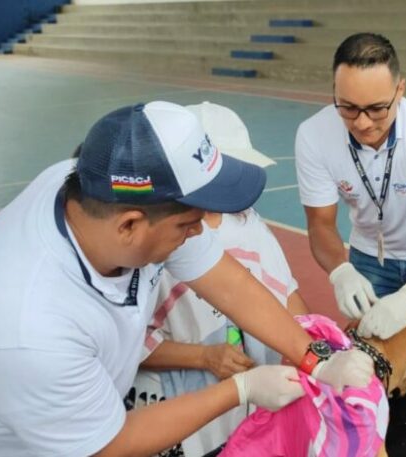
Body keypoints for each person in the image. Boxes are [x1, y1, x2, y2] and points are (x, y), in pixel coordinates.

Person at [0, 101, 373, 456]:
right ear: (129, 227)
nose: (201, 231)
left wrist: (317, 356)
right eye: (190, 222)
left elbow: (227, 281)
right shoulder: (26, 327)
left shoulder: (96, 193)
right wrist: (240, 390)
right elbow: (109, 444)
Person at [134, 102, 310, 456]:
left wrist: (316, 350)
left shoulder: (249, 222)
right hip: (185, 410)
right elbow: (129, 348)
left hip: (255, 402)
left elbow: (286, 293)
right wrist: (204, 357)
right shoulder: (159, 241)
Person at [295, 32, 406, 340]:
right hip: (366, 260)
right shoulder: (313, 135)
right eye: (347, 107)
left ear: (400, 90)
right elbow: (320, 223)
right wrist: (340, 271)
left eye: (377, 108)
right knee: (371, 358)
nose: (362, 123)